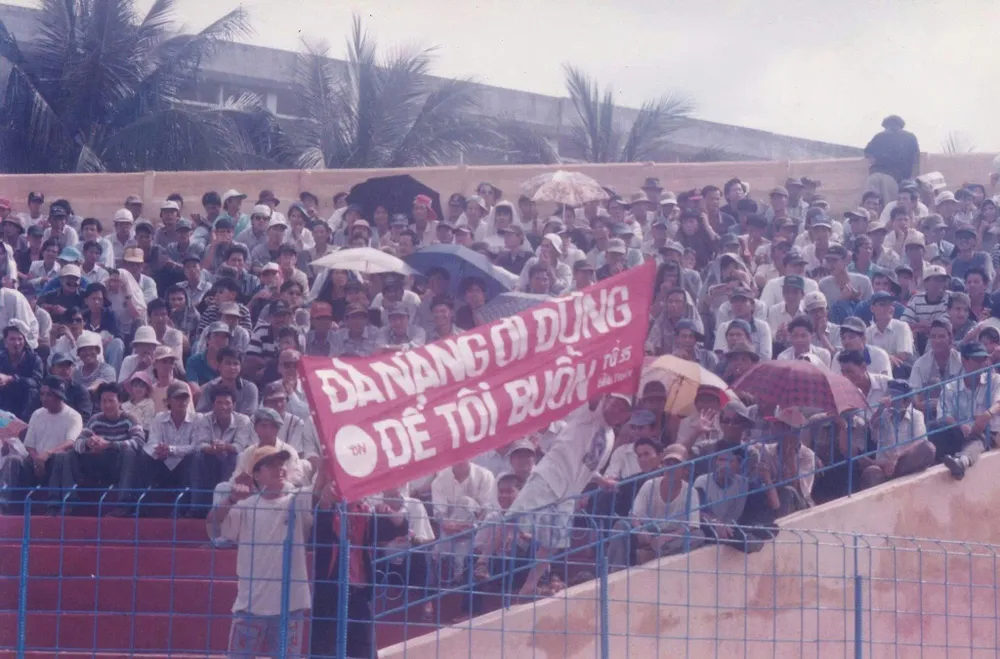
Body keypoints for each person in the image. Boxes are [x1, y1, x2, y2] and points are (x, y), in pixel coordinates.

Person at [499, 394, 632, 596]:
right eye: (615, 402)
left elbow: (586, 466)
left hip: (569, 493)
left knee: (553, 544)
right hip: (551, 476)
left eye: (623, 408)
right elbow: (593, 393)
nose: (616, 409)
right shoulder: (589, 414)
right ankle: (485, 561)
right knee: (515, 517)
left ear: (625, 416)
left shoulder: (610, 438)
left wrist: (602, 480)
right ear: (606, 400)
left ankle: (529, 586)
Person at [208, 444, 315, 658]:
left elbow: (321, 490)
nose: (280, 469)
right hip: (250, 606)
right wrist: (230, 499)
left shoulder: (298, 499)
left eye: (282, 464)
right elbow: (213, 527)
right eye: (272, 466)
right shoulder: (245, 505)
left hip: (289, 606)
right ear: (257, 474)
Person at [607, 445, 703, 571]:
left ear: (685, 469)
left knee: (698, 536)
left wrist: (665, 538)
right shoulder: (650, 485)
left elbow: (691, 525)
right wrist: (640, 530)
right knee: (621, 525)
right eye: (668, 463)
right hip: (648, 530)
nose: (671, 468)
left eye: (676, 464)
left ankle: (651, 558)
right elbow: (635, 515)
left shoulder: (690, 491)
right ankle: (615, 572)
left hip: (672, 536)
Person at [7, 377, 83, 512]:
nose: (43, 398)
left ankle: (54, 505)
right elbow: (29, 445)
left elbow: (70, 443)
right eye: (42, 394)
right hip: (36, 459)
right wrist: (37, 459)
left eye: (48, 394)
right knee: (12, 460)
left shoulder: (73, 416)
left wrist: (47, 454)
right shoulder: (37, 414)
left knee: (61, 457)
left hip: (57, 462)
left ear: (58, 396)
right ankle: (7, 505)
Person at [71, 382, 144, 516]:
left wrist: (109, 444)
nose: (107, 405)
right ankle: (74, 502)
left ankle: (124, 505)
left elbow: (138, 442)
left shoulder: (130, 419)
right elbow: (77, 443)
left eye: (111, 401)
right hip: (100, 463)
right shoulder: (95, 419)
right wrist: (89, 443)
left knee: (129, 452)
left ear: (120, 401)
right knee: (72, 454)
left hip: (120, 463)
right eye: (104, 401)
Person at [933, 341, 1000, 480]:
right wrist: (959, 425)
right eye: (977, 359)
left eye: (984, 358)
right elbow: (943, 415)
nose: (982, 363)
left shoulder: (994, 380)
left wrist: (986, 415)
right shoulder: (951, 387)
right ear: (964, 361)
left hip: (987, 433)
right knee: (935, 427)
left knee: (979, 440)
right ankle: (944, 461)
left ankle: (961, 462)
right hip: (959, 433)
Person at [859, 379, 936, 489]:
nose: (891, 402)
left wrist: (897, 455)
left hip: (904, 462)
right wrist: (880, 410)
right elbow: (872, 426)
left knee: (928, 448)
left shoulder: (916, 415)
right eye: (889, 396)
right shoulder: (883, 414)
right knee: (870, 473)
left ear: (907, 402)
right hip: (883, 465)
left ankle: (897, 475)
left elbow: (920, 440)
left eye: (895, 398)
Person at [191, 387, 253, 517]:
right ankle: (197, 508)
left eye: (227, 403)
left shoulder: (243, 420)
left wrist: (224, 446)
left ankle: (223, 504)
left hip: (230, 457)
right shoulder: (205, 419)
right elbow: (200, 444)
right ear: (212, 404)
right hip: (211, 456)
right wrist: (212, 448)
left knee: (234, 456)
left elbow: (240, 446)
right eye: (219, 403)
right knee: (198, 457)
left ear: (234, 405)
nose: (223, 407)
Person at [140, 381, 199, 514]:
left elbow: (195, 446)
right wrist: (159, 450)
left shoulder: (197, 419)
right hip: (163, 462)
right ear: (168, 401)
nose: (182, 401)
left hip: (184, 464)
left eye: (185, 398)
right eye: (177, 398)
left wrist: (171, 450)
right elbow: (151, 443)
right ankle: (151, 505)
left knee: (195, 457)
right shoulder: (159, 418)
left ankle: (183, 507)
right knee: (146, 455)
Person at [864, 115, 920, 206]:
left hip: (874, 176)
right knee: (890, 209)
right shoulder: (910, 137)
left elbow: (867, 153)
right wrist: (913, 178)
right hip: (893, 178)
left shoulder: (879, 136)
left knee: (870, 207)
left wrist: (874, 163)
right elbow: (916, 158)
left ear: (886, 125)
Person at [0, 319, 43, 421]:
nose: (17, 343)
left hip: (26, 405)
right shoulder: (1, 357)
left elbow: (37, 382)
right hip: (5, 403)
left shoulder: (34, 359)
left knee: (32, 391)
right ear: (5, 342)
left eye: (20, 339)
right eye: (12, 339)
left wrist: (11, 379)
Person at [196, 348, 259, 416]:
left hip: (240, 425)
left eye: (236, 364)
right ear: (219, 366)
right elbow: (201, 413)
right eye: (228, 363)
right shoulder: (210, 387)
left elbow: (248, 416)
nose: (232, 367)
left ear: (240, 367)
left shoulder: (249, 388)